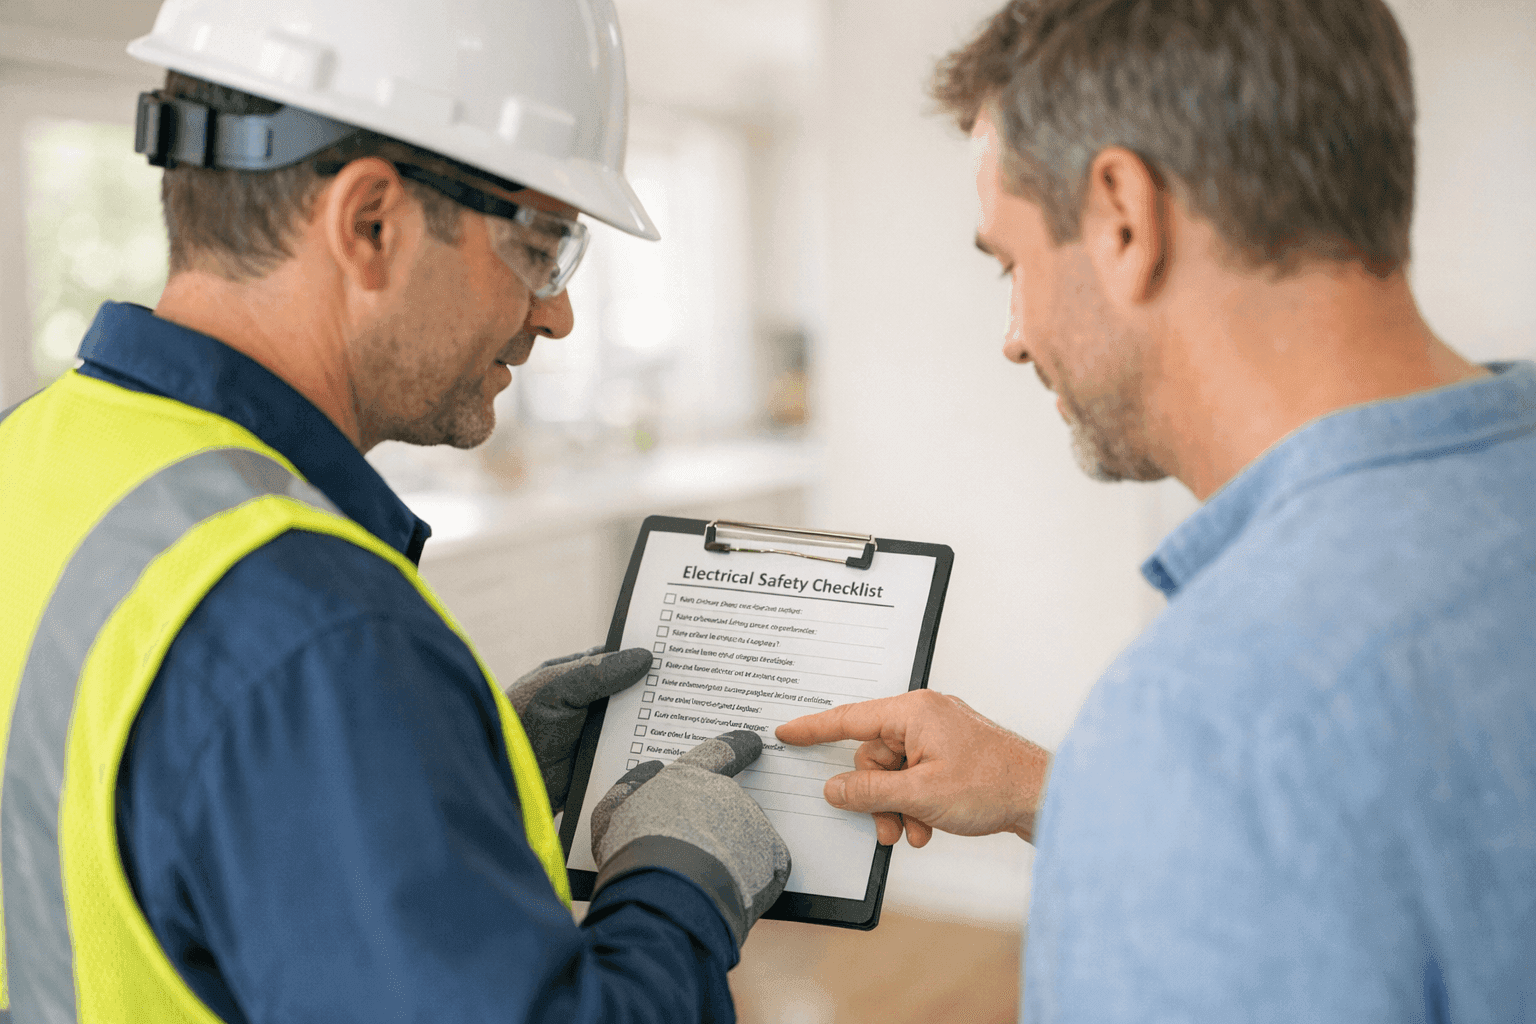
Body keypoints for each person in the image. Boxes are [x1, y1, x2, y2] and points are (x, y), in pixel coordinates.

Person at [0, 1, 788, 1021]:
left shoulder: (34, 450)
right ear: (372, 223)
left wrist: (439, 776)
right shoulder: (318, 628)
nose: (558, 312)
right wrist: (679, 884)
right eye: (543, 243)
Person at [778, 0, 1535, 1019]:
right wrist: (1057, 788)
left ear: (1124, 216)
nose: (1013, 336)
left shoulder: (1205, 722)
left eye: (1012, 263)